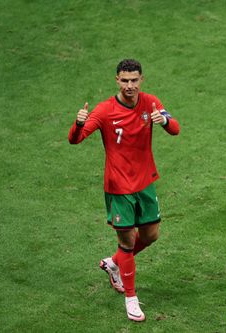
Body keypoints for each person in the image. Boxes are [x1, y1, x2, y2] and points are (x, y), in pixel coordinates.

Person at [68, 59, 180, 321]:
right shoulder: (105, 111)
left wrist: (163, 119)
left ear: (141, 80)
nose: (130, 85)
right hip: (118, 187)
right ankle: (131, 299)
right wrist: (79, 123)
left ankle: (113, 263)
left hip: (145, 182)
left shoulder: (151, 102)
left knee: (151, 235)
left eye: (134, 80)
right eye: (125, 80)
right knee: (127, 242)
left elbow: (175, 129)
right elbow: (75, 139)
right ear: (117, 80)